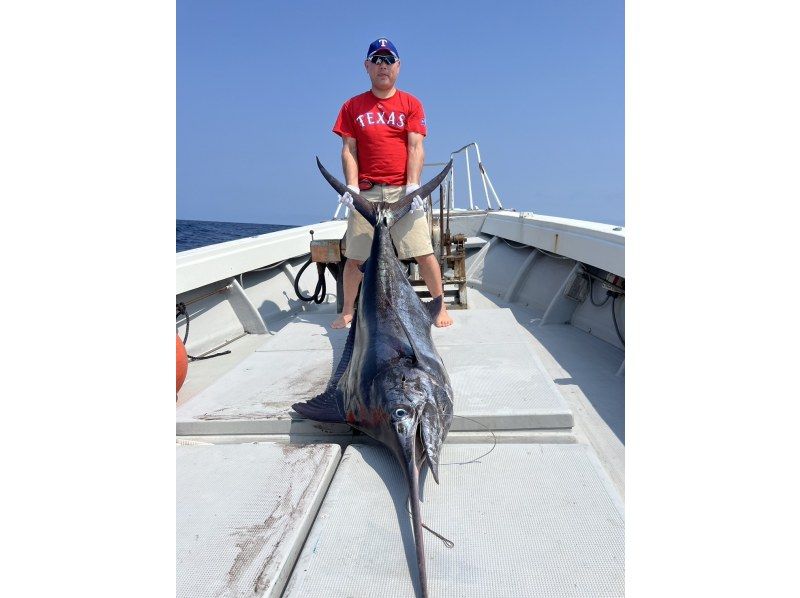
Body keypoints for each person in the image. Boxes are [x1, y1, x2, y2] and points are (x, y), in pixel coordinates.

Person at [331, 37, 453, 329]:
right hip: (366, 194)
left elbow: (415, 147)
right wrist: (350, 187)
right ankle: (348, 310)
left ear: (398, 66)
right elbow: (349, 149)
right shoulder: (352, 106)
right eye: (377, 59)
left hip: (402, 192)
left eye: (389, 60)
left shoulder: (411, 103)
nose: (383, 65)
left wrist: (413, 187)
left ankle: (440, 306)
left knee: (423, 252)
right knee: (354, 259)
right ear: (367, 66)